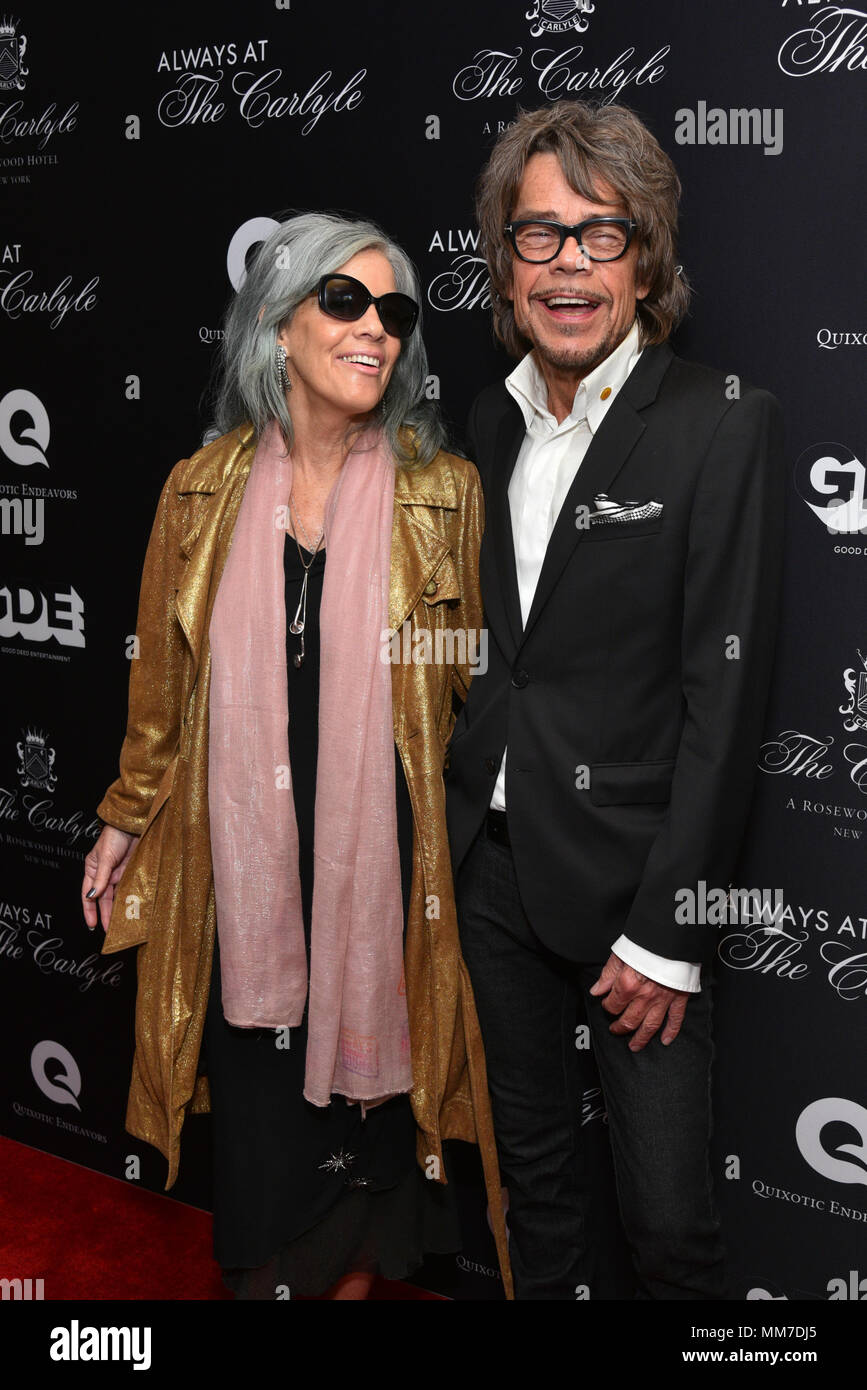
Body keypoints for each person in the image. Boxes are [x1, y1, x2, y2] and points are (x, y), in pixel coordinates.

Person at [82, 211, 512, 1301]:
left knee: (367, 1174)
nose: (376, 329)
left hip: (387, 885)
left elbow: (480, 684)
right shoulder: (199, 489)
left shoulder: (443, 492)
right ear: (277, 328)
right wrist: (126, 812)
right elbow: (164, 691)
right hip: (248, 888)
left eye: (394, 312)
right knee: (268, 1180)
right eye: (345, 301)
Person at [445, 100, 785, 1299]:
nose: (569, 266)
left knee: (669, 1229)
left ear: (648, 258)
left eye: (602, 234)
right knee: (532, 1187)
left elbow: (727, 700)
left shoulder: (719, 423)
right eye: (539, 236)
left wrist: (669, 933)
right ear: (505, 258)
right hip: (490, 866)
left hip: (640, 894)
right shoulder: (487, 419)